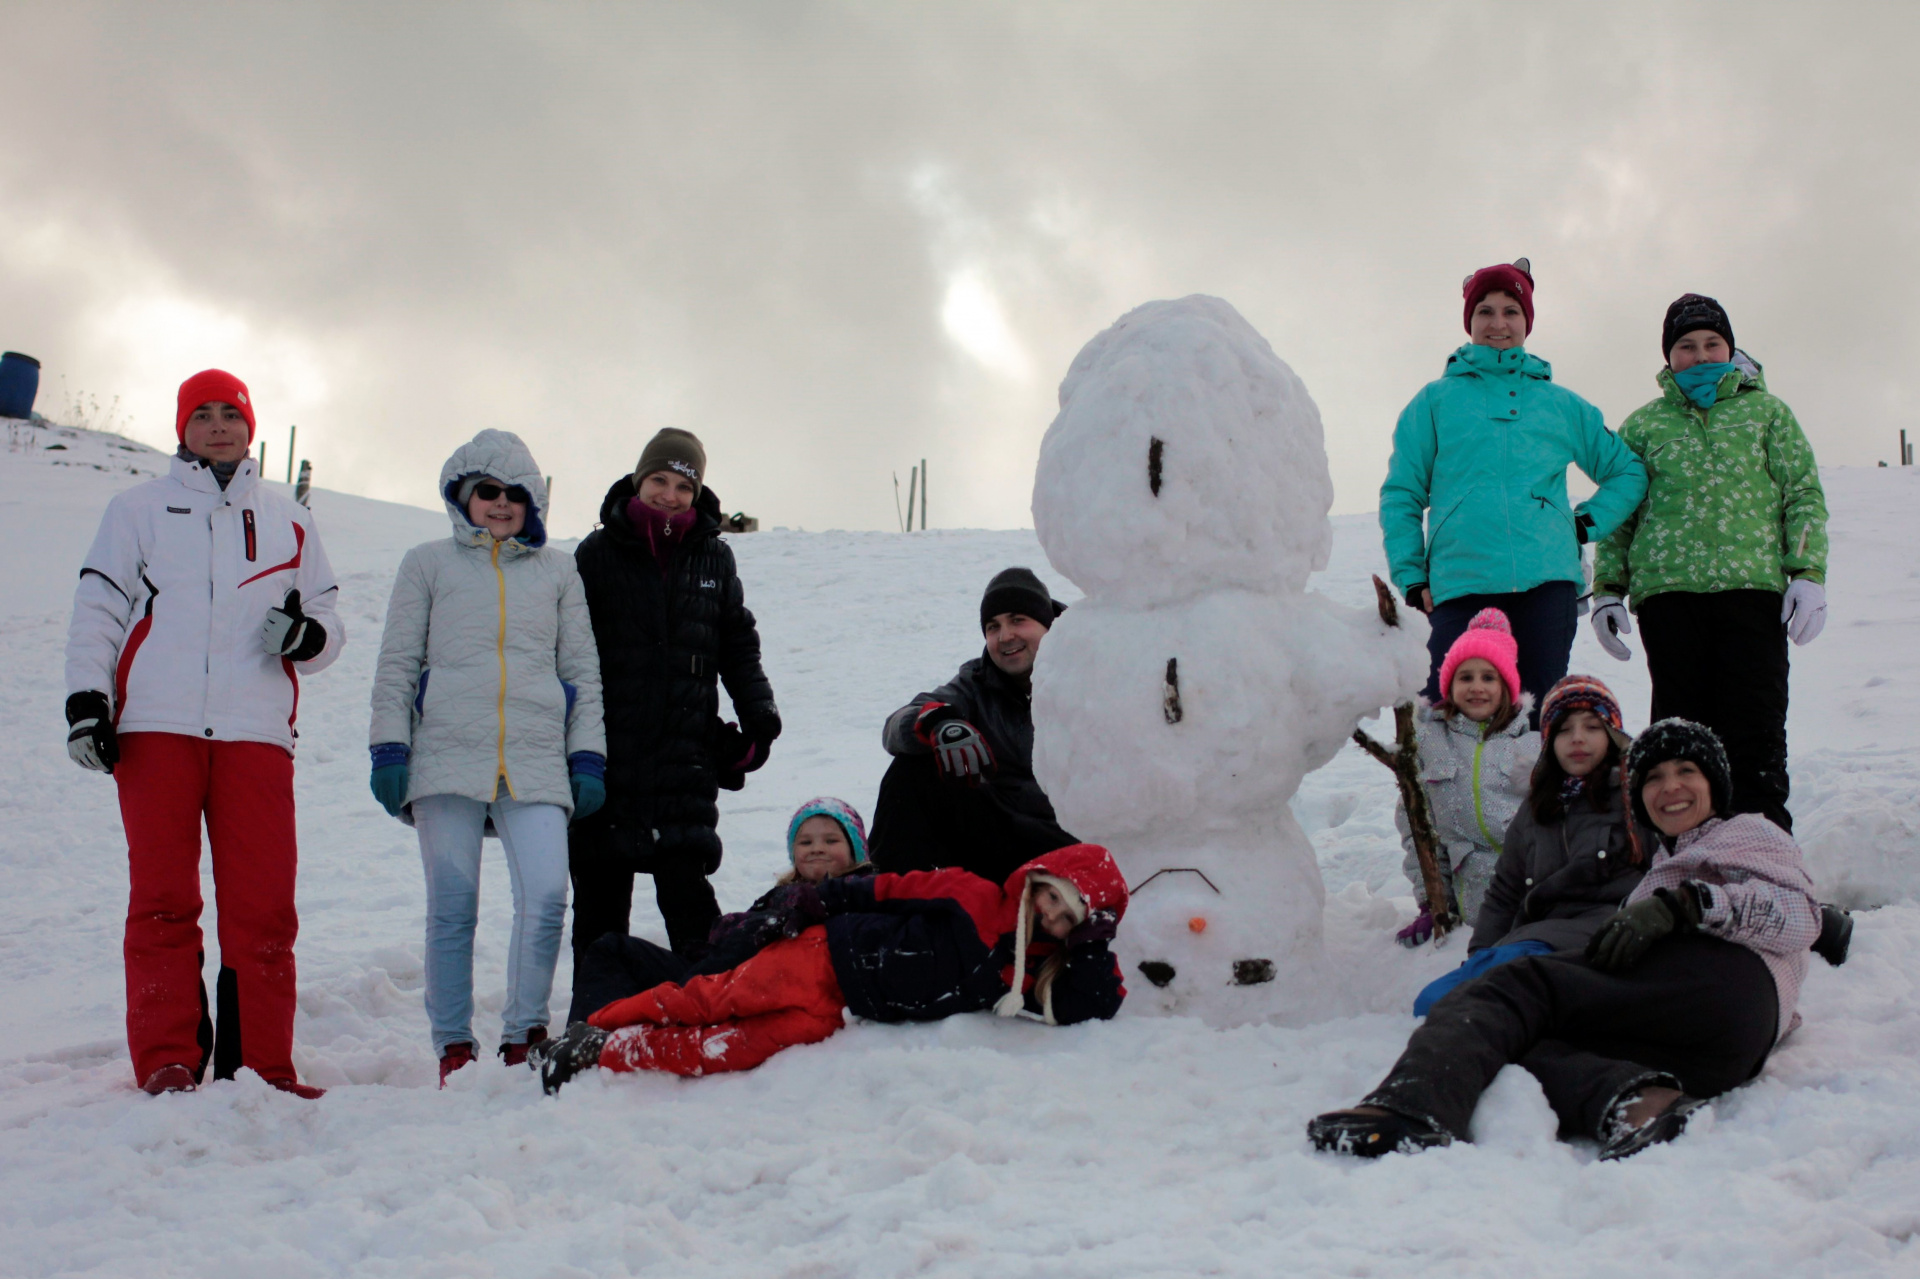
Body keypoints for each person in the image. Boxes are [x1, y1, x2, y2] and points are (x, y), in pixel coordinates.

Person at [1310, 719, 1820, 1161]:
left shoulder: (1744, 831)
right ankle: (1636, 1103)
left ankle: (1411, 1107)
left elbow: (1802, 917)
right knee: (1519, 1040)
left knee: (1510, 987)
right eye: (1653, 777)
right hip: (1722, 1050)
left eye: (1686, 771)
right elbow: (1508, 889)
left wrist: (1689, 905)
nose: (1670, 787)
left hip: (1725, 977)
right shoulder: (1652, 868)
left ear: (1715, 784)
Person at [63, 369, 342, 1098]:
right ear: (182, 428)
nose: (219, 426)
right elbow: (99, 609)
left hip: (255, 733)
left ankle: (262, 1067)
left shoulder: (289, 520)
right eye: (203, 414)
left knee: (263, 905)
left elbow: (327, 621)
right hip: (156, 728)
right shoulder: (137, 510)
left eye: (231, 413)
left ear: (250, 427)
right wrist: (88, 702)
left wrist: (307, 636)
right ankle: (168, 1060)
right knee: (163, 897)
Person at [368, 430, 605, 1084]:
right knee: (454, 902)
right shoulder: (427, 563)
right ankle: (453, 1045)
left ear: (534, 503)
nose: (501, 504)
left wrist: (587, 755)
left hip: (535, 757)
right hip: (445, 753)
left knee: (548, 895)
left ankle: (524, 1033)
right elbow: (397, 662)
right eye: (488, 491)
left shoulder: (558, 572)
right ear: (463, 496)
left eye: (515, 494)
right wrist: (389, 745)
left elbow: (581, 670)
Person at [532, 842, 1129, 1091]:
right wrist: (813, 902)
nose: (1050, 915)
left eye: (1068, 917)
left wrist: (1092, 946)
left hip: (839, 1010)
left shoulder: (1031, 976)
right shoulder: (973, 896)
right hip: (820, 957)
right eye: (1052, 897)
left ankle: (605, 1054)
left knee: (729, 1047)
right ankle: (594, 1027)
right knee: (706, 1000)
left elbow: (1094, 1005)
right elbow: (888, 889)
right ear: (1039, 881)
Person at [1591, 294, 1829, 835]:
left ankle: (1763, 848)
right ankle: (1685, 853)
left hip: (1752, 592)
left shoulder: (1767, 413)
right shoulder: (1643, 426)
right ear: (1668, 356)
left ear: (1729, 348)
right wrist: (1607, 587)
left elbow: (1802, 494)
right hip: (1668, 599)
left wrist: (1808, 575)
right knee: (1681, 738)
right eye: (1686, 346)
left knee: (1755, 729)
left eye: (1711, 343)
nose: (1700, 355)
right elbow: (1618, 512)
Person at [566, 429, 780, 1017]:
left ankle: (710, 1015)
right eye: (658, 480)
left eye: (683, 486)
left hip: (684, 757)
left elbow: (736, 642)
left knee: (690, 905)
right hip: (608, 759)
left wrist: (758, 718)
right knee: (600, 908)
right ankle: (593, 1024)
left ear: (697, 492)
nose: (669, 494)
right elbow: (568, 651)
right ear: (639, 482)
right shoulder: (596, 554)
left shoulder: (714, 555)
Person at [1380, 259, 1647, 713]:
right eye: (1485, 311)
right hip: (1458, 585)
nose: (1498, 323)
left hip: (1546, 587)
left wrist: (1583, 525)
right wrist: (1411, 576)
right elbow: (1402, 493)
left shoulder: (1560, 405)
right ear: (1469, 321)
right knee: (1444, 718)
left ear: (1527, 321)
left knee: (1535, 719)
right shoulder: (1434, 402)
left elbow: (1628, 472)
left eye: (1511, 311)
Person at [1411, 674, 1649, 1015]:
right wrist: (1479, 957)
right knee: (1433, 1002)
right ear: (1549, 741)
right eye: (1564, 730)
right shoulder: (1536, 809)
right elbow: (1505, 891)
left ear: (1613, 736)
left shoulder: (1633, 799)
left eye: (1592, 727)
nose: (1577, 738)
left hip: (1605, 938)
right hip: (1533, 943)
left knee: (1485, 1005)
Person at [569, 797, 874, 1021]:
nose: (817, 848)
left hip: (740, 989)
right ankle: (585, 1037)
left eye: (831, 840)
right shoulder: (782, 894)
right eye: (805, 842)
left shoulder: (858, 896)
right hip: (713, 974)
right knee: (611, 949)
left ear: (856, 850)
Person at [867, 566, 1075, 883]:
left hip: (1078, 841)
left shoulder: (1091, 671)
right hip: (1004, 839)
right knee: (914, 768)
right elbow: (896, 726)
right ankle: (886, 893)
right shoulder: (977, 683)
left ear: (1048, 625)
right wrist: (937, 723)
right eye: (993, 627)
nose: (1005, 636)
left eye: (1018, 620)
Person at [1393, 609, 1539, 945]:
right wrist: (1432, 903)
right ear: (1449, 685)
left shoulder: (1533, 746)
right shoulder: (1430, 743)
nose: (1476, 687)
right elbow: (1417, 830)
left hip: (1532, 897)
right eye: (1465, 677)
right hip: (1470, 907)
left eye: (1488, 678)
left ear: (1506, 687)